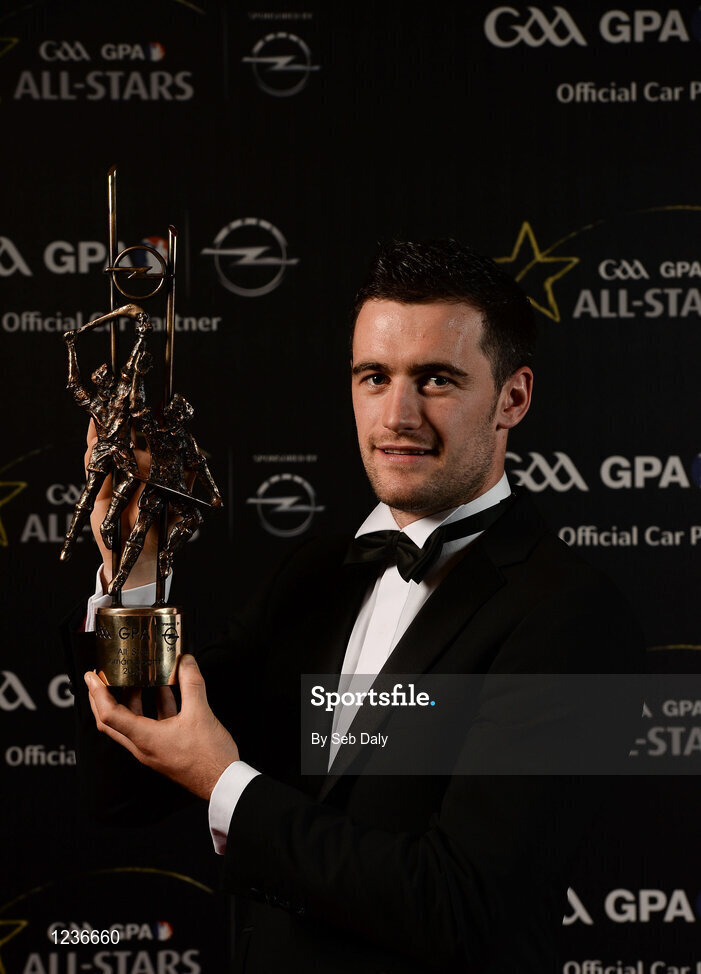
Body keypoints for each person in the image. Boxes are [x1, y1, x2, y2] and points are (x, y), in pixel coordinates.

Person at [70, 239, 642, 973]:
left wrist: (223, 784)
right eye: (374, 377)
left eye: (435, 380)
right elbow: (126, 786)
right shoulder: (315, 575)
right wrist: (132, 571)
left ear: (513, 398)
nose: (397, 414)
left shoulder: (573, 617)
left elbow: (460, 906)